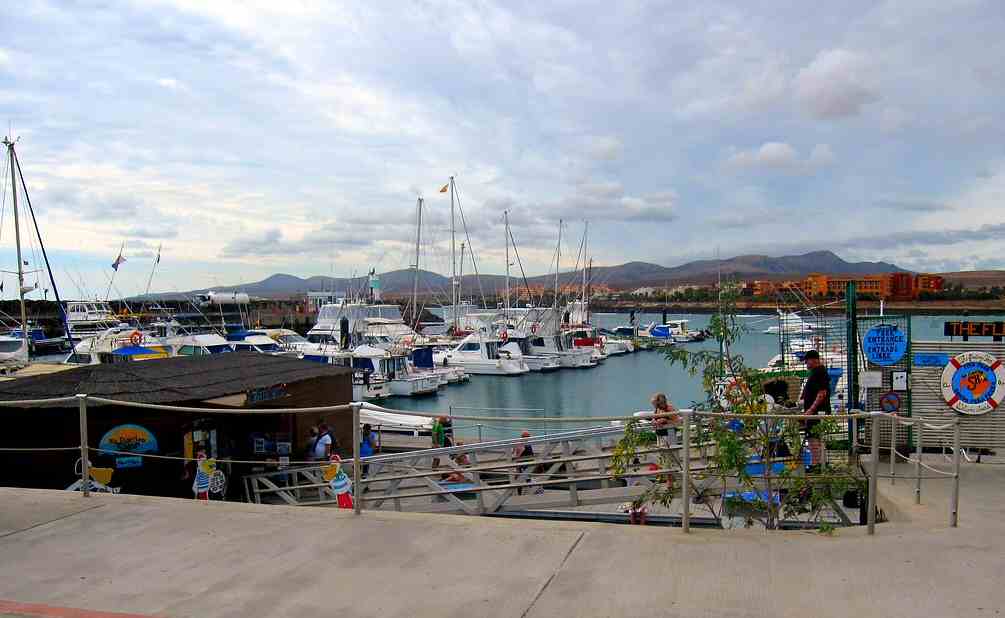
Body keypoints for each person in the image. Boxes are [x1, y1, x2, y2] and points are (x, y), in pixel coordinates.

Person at [801, 350, 831, 469]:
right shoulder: (817, 372)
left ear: (813, 360)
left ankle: (816, 464)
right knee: (815, 438)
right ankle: (819, 463)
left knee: (814, 438)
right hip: (815, 412)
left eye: (806, 361)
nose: (806, 364)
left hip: (817, 413)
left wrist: (811, 410)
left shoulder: (819, 372)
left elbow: (822, 393)